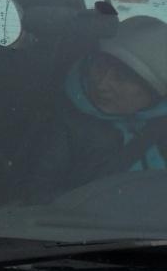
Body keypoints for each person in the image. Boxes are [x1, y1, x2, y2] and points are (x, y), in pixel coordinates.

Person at [14, 15, 167, 204]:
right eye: (99, 68)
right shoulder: (63, 128)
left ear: (156, 90)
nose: (102, 85)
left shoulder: (160, 127)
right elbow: (35, 198)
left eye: (121, 78)